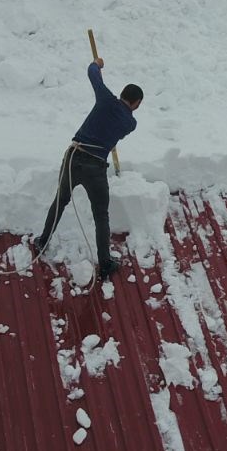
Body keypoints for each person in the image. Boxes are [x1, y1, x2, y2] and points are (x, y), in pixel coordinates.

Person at [33, 58, 143, 284]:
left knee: (60, 200)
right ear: (137, 104)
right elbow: (113, 132)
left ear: (121, 94)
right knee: (101, 215)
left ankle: (42, 241)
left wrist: (97, 64)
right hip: (96, 168)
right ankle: (105, 263)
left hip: (73, 157)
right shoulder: (130, 124)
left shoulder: (105, 99)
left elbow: (92, 72)